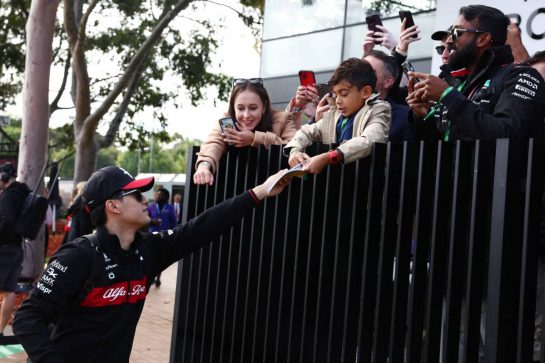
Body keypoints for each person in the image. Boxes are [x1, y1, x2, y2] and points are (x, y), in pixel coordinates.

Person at [12, 165, 291, 361]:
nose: (146, 200)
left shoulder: (148, 249)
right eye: (136, 195)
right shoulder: (78, 256)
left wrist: (259, 193)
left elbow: (201, 227)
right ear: (113, 206)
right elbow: (27, 318)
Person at [407, 5, 545, 142]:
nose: (449, 40)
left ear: (483, 39)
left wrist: (448, 96)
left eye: (456, 33)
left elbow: (507, 135)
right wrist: (423, 116)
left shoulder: (520, 75)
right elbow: (446, 145)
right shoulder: (459, 83)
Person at [285, 57, 391, 173]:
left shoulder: (379, 109)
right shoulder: (334, 114)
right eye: (335, 94)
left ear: (365, 92)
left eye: (344, 94)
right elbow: (306, 131)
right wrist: (294, 151)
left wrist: (330, 156)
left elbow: (370, 140)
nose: (338, 101)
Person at [193, 78, 297, 186]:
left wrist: (254, 139)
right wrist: (204, 166)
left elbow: (293, 147)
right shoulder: (227, 121)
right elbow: (214, 142)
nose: (246, 115)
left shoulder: (283, 118)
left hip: (277, 188)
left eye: (253, 108)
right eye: (241, 109)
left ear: (264, 107)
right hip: (237, 188)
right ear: (234, 108)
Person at [0, 162, 31, 336]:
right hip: (16, 247)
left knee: (7, 290)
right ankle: (0, 329)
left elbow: (6, 221)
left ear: (4, 176)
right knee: (9, 290)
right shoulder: (23, 193)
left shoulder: (9, 196)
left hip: (4, 248)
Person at [364, 50, 416, 142]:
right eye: (358, 71)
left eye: (369, 72)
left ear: (388, 81)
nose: (359, 76)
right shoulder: (341, 112)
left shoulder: (406, 117)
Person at [147, 187, 177, 286]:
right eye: (157, 194)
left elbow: (174, 222)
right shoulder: (151, 207)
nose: (158, 196)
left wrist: (172, 234)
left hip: (164, 237)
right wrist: (152, 221)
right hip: (152, 236)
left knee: (160, 258)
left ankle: (158, 278)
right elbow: (145, 219)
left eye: (160, 194)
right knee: (151, 258)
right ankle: (151, 277)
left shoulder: (170, 208)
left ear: (165, 196)